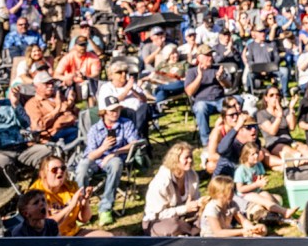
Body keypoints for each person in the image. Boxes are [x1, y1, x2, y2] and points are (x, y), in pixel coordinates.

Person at [74, 95, 141, 227]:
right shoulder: (95, 129)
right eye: (112, 110)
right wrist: (104, 148)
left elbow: (134, 143)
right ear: (104, 112)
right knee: (82, 166)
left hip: (114, 159)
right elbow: (90, 155)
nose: (115, 113)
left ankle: (105, 208)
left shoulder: (126, 124)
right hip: (96, 160)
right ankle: (80, 208)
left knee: (116, 163)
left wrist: (114, 153)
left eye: (117, 109)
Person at [29, 154, 112, 237]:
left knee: (109, 238)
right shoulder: (35, 194)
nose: (60, 171)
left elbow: (84, 219)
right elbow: (46, 226)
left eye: (63, 168)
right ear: (43, 174)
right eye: (54, 170)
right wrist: (71, 206)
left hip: (72, 234)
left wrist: (85, 203)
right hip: (49, 238)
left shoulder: (71, 187)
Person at [142, 141, 201, 236]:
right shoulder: (161, 182)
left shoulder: (192, 176)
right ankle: (190, 231)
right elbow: (158, 214)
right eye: (186, 158)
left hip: (184, 216)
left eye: (191, 157)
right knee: (173, 226)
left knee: (207, 217)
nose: (190, 160)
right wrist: (185, 209)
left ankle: (189, 231)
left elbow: (195, 199)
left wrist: (199, 203)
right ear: (175, 160)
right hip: (158, 221)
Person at [233, 142, 298, 223]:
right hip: (245, 195)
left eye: (257, 153)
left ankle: (286, 216)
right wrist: (257, 184)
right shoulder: (241, 170)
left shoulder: (258, 165)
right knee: (264, 201)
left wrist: (261, 181)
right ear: (245, 156)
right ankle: (285, 212)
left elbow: (259, 178)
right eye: (252, 154)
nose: (256, 156)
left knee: (268, 196)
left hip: (257, 191)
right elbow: (240, 189)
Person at [184, 44, 232, 147]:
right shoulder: (192, 71)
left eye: (211, 55)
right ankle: (206, 142)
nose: (210, 57)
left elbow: (229, 86)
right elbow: (189, 92)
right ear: (199, 58)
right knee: (200, 108)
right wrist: (199, 77)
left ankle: (233, 135)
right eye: (207, 55)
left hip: (220, 99)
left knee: (237, 101)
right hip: (203, 101)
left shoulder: (218, 68)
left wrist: (221, 78)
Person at [200, 175, 266, 238]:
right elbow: (218, 233)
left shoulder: (232, 204)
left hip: (226, 236)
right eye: (230, 191)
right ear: (220, 194)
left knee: (258, 235)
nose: (233, 193)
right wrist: (242, 231)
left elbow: (243, 221)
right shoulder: (211, 209)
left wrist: (253, 229)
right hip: (210, 239)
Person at [256, 86, 308, 162]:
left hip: (289, 141)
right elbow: (272, 131)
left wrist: (291, 108)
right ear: (266, 98)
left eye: (277, 94)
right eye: (271, 95)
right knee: (294, 154)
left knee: (305, 149)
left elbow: (292, 127)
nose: (275, 97)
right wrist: (279, 116)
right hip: (274, 144)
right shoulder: (262, 114)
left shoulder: (285, 110)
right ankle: (301, 162)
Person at [24, 71, 79, 144]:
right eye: (46, 83)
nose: (50, 86)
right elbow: (38, 126)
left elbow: (76, 112)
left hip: (74, 124)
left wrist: (71, 102)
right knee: (78, 133)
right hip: (55, 134)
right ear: (36, 86)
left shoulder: (58, 97)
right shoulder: (32, 104)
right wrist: (57, 109)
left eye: (52, 83)